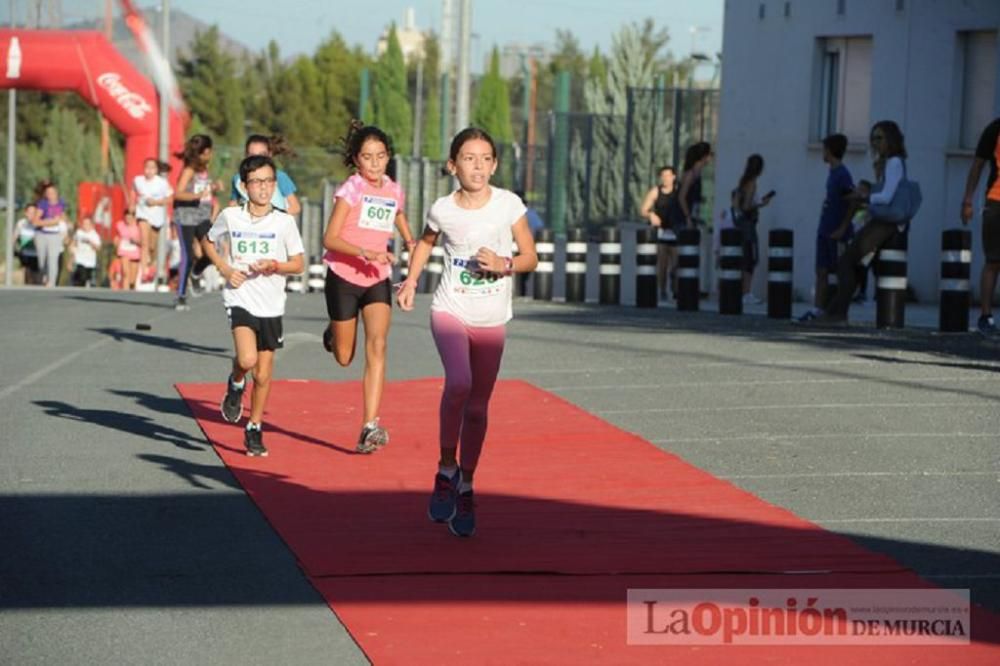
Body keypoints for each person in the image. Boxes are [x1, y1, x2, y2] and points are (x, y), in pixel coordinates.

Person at [397, 127, 538, 538]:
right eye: (469, 158)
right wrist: (410, 281)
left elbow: (529, 255)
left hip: (492, 317)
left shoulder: (508, 204)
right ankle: (445, 468)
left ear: (494, 164)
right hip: (450, 308)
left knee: (477, 407)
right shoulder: (443, 208)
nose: (477, 166)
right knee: (459, 382)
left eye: (485, 158)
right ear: (452, 164)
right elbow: (425, 242)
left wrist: (504, 263)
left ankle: (467, 484)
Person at [321, 122, 415, 453]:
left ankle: (369, 426)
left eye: (381, 156)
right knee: (345, 356)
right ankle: (334, 331)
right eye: (367, 158)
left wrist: (408, 238)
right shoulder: (351, 189)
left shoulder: (392, 187)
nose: (375, 164)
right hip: (344, 275)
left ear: (388, 157)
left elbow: (397, 212)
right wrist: (364, 251)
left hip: (377, 276)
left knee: (378, 345)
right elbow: (329, 238)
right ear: (356, 160)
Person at [202, 154, 305, 457]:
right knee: (247, 360)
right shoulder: (231, 216)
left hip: (271, 303)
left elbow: (298, 264)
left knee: (262, 375)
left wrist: (275, 265)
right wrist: (225, 268)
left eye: (269, 181)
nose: (263, 187)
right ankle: (235, 383)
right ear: (244, 186)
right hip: (240, 295)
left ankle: (254, 427)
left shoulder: (284, 221)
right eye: (256, 182)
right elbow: (208, 241)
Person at [812, 120, 911, 325]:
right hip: (886, 220)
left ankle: (837, 314)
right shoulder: (888, 162)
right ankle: (835, 312)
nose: (876, 142)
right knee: (854, 266)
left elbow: (887, 196)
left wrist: (865, 197)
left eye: (880, 138)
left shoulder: (894, 162)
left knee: (847, 261)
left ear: (891, 139)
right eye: (873, 138)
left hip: (887, 222)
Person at [799, 134, 854, 321]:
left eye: (824, 149)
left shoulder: (843, 175)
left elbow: (852, 202)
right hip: (824, 230)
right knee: (821, 270)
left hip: (836, 233)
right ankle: (818, 309)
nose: (822, 152)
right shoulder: (832, 172)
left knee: (840, 272)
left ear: (830, 150)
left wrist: (843, 227)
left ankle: (839, 311)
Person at [960, 116, 1000, 335]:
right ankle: (986, 316)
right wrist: (968, 200)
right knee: (994, 261)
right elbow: (977, 165)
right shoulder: (994, 129)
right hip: (996, 201)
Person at [172, 134, 222, 310]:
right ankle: (181, 296)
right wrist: (195, 196)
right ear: (203, 152)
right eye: (209, 152)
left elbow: (204, 189)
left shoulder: (205, 168)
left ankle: (196, 272)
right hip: (185, 216)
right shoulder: (189, 170)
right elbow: (177, 193)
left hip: (202, 215)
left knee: (212, 250)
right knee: (188, 254)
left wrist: (213, 188)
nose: (211, 155)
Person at [731, 154, 774, 304]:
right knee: (750, 258)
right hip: (748, 224)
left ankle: (743, 291)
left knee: (745, 257)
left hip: (741, 224)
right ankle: (746, 292)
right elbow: (746, 206)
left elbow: (737, 204)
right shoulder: (752, 183)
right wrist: (762, 203)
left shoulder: (742, 182)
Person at [228, 134, 301, 216]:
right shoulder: (238, 179)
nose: (257, 160)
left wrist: (270, 218)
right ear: (246, 155)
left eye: (261, 155)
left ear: (269, 155)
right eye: (252, 156)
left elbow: (295, 207)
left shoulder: (279, 176)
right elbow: (232, 205)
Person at [131, 157, 173, 284]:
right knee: (144, 243)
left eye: (152, 168)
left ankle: (151, 262)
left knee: (152, 246)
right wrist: (132, 204)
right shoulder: (138, 180)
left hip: (157, 216)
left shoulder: (162, 183)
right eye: (147, 168)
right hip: (143, 213)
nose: (148, 171)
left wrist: (156, 202)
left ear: (156, 170)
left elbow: (170, 199)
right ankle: (143, 272)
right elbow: (133, 190)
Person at [640, 166, 678, 300]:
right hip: (662, 231)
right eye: (663, 176)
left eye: (668, 176)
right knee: (662, 264)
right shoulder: (656, 191)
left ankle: (675, 289)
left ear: (674, 176)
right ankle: (662, 290)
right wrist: (651, 215)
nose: (665, 179)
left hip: (676, 232)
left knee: (676, 264)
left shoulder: (678, 192)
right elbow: (643, 209)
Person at [669, 142, 712, 230]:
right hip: (682, 218)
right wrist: (687, 217)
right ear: (704, 157)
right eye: (710, 154)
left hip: (692, 214)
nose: (711, 158)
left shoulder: (698, 174)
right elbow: (681, 197)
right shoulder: (690, 174)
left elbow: (691, 193)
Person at [33, 180, 69, 287]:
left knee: (53, 258)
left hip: (55, 235)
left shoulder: (61, 203)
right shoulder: (42, 204)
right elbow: (36, 221)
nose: (51, 195)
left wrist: (63, 226)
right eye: (48, 193)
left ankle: (51, 282)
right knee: (42, 260)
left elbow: (63, 217)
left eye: (53, 193)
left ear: (56, 193)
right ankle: (44, 275)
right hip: (42, 234)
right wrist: (51, 222)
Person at [12, 203, 41, 285]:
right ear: (26, 213)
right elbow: (14, 237)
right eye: (29, 212)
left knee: (38, 280)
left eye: (34, 213)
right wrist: (12, 247)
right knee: (28, 278)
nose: (31, 215)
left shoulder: (40, 223)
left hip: (38, 255)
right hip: (25, 254)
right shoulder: (21, 223)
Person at [70, 216, 102, 287]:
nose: (85, 226)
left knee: (87, 278)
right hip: (79, 260)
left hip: (90, 261)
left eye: (87, 224)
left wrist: (90, 242)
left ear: (91, 225)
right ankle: (76, 282)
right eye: (84, 224)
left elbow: (98, 248)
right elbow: (73, 244)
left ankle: (85, 283)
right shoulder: (79, 233)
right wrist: (71, 258)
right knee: (81, 276)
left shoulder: (94, 235)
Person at [115, 210, 142, 290]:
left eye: (130, 218)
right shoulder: (120, 225)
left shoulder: (139, 227)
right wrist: (116, 242)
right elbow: (117, 237)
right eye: (126, 217)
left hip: (135, 252)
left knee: (132, 279)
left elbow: (143, 241)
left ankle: (131, 289)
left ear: (134, 218)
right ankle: (125, 291)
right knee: (125, 273)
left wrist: (135, 241)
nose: (128, 220)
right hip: (124, 251)